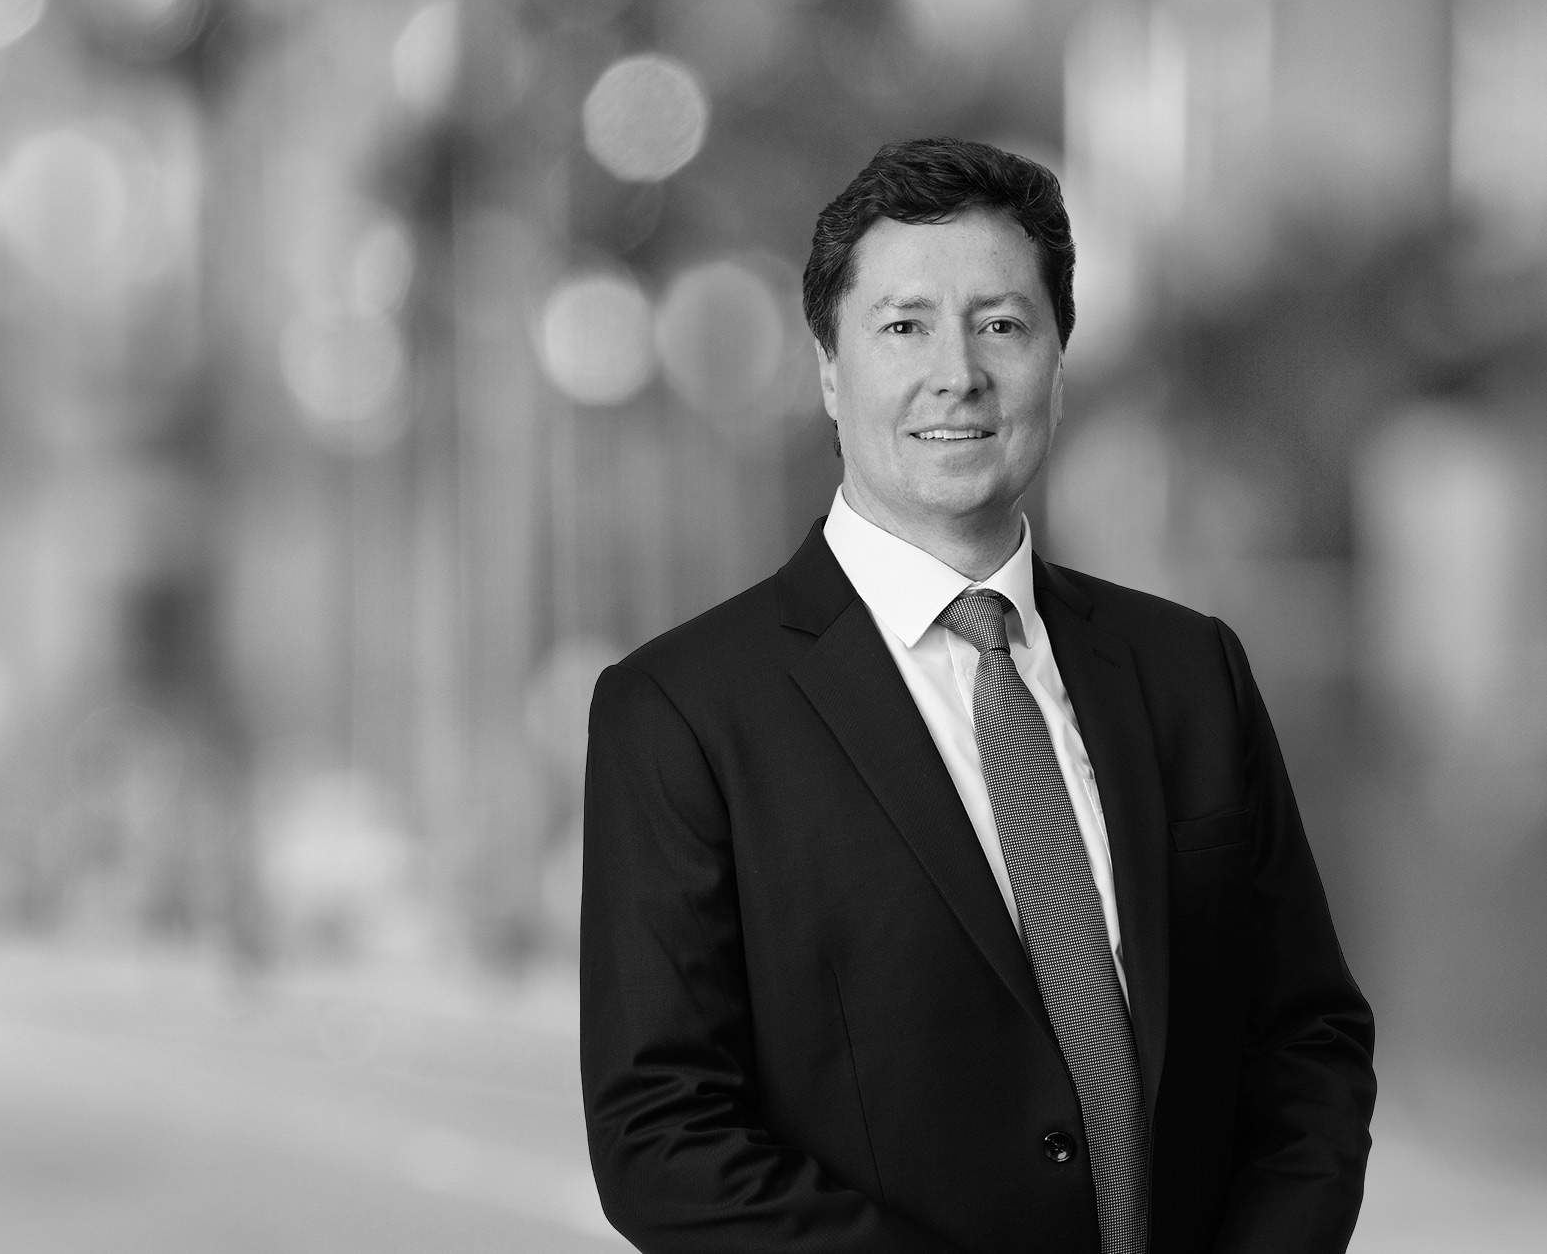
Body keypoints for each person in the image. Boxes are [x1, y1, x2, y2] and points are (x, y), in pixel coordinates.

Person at [579, 136, 1375, 1254]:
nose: (957, 372)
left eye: (1001, 325)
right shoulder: (681, 713)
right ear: (828, 369)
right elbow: (662, 1138)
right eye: (903, 327)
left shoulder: (1189, 672)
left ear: (1057, 360)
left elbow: (1305, 1039)